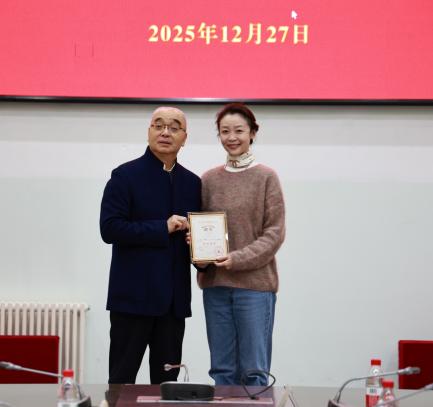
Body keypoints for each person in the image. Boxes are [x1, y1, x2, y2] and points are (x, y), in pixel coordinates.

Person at [100, 107, 201, 384]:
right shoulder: (125, 176)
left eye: (174, 127)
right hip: (132, 300)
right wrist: (162, 227)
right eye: (159, 125)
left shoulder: (193, 183)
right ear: (149, 132)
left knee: (167, 388)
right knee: (121, 383)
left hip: (173, 305)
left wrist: (203, 254)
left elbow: (199, 239)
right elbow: (110, 229)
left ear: (184, 137)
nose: (165, 132)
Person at [197, 103, 285, 386]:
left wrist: (236, 259)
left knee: (254, 372)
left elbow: (274, 234)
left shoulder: (266, 177)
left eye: (239, 130)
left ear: (252, 133)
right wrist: (195, 245)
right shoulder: (208, 179)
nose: (231, 137)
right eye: (225, 131)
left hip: (254, 288)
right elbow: (201, 229)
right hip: (216, 287)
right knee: (221, 371)